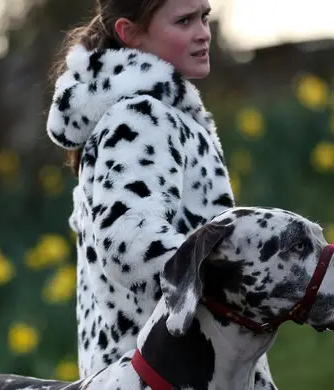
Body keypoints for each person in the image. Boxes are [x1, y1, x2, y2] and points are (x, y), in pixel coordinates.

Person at [45, 0, 277, 388]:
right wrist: (244, 276)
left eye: (205, 16)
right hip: (165, 375)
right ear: (129, 33)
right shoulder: (140, 115)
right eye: (184, 21)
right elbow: (130, 245)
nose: (203, 32)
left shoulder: (150, 112)